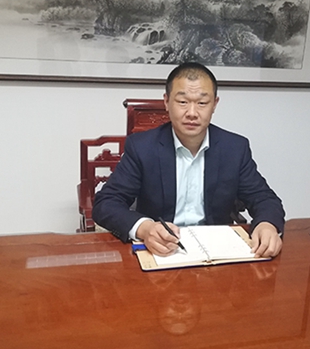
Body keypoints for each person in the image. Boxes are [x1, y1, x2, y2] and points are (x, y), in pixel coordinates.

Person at [92, 62, 285, 257]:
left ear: (214, 104)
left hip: (217, 252)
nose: (192, 113)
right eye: (182, 102)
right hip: (161, 251)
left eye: (202, 103)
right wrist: (145, 228)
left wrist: (267, 225)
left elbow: (264, 198)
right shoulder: (142, 147)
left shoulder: (234, 148)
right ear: (166, 102)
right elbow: (106, 203)